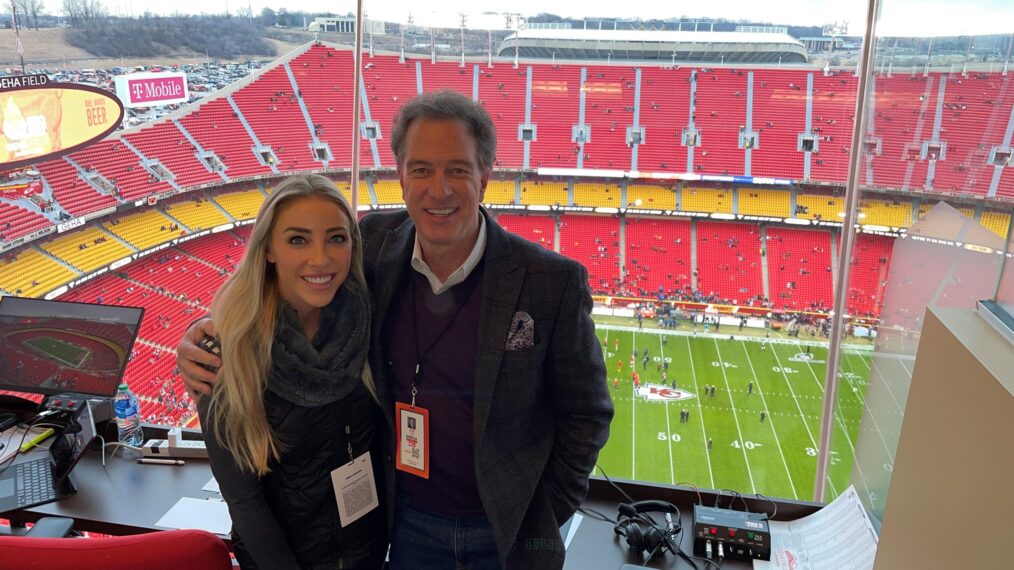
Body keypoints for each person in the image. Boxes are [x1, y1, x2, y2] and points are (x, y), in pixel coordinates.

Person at [178, 90, 612, 569]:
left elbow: (588, 414)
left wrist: (542, 512)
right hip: (406, 524)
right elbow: (290, 282)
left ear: (485, 178)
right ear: (401, 177)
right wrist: (208, 330)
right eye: (421, 169)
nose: (439, 188)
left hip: (510, 531)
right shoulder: (373, 245)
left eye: (458, 169)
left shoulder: (551, 281)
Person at [192, 175, 386, 569]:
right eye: (298, 239)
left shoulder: (368, 318)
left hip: (368, 552)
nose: (321, 258)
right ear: (268, 250)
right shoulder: (228, 353)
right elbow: (246, 504)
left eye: (337, 238)